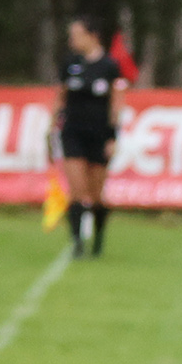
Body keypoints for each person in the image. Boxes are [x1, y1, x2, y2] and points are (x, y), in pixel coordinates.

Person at [55, 16, 127, 257]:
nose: (72, 40)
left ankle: (98, 240)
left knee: (96, 194)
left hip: (98, 134)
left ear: (92, 35)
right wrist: (51, 125)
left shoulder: (109, 66)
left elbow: (115, 105)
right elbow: (60, 97)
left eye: (76, 34)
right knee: (76, 190)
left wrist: (112, 137)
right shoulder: (70, 63)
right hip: (73, 133)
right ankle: (77, 243)